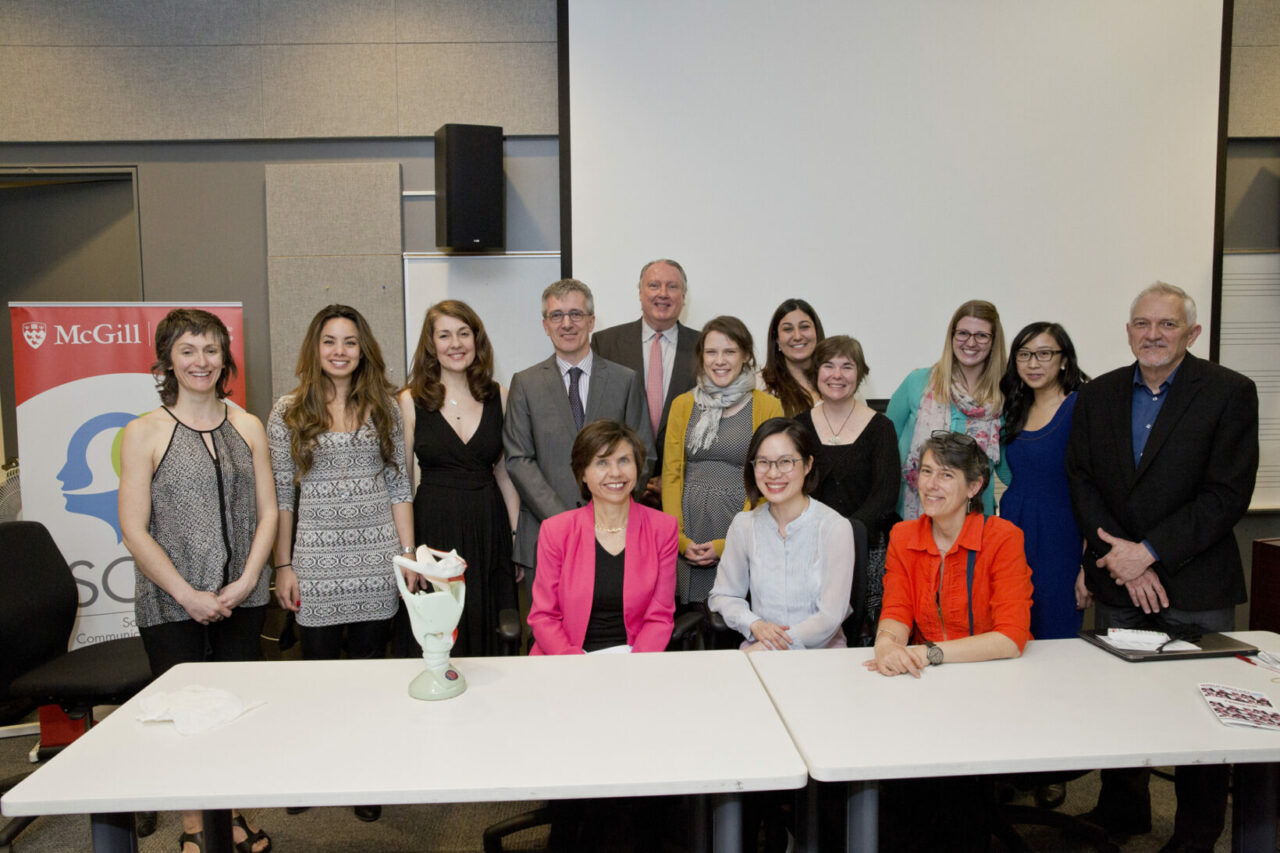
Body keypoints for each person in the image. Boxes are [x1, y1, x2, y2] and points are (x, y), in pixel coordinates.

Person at [1066, 282, 1258, 852]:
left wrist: (1147, 553)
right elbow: (1080, 478)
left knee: (1202, 709)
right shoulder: (1096, 395)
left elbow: (1228, 493)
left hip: (1196, 581)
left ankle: (1198, 832)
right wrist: (1121, 560)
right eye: (1142, 324)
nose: (1153, 335)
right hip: (1118, 578)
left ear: (1191, 333)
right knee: (1123, 702)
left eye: (1167, 325)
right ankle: (1122, 811)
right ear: (1128, 332)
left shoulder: (1229, 392)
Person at [118, 308, 275, 853]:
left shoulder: (248, 425)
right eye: (188, 350)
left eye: (210, 350)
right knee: (186, 716)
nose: (201, 361)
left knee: (232, 711)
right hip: (170, 603)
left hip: (243, 596)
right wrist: (186, 595)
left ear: (224, 357)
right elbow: (134, 530)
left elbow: (269, 512)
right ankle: (193, 828)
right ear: (167, 361)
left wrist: (249, 579)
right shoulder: (144, 432)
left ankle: (229, 817)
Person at [268, 305, 414, 824]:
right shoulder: (287, 410)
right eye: (329, 341)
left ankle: (365, 773)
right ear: (315, 348)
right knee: (319, 676)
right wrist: (283, 566)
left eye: (349, 341)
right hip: (316, 562)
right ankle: (313, 769)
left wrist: (408, 556)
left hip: (377, 558)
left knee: (371, 672)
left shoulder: (385, 408)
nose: (339, 351)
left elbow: (400, 486)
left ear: (362, 349)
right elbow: (283, 494)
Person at [867, 429, 1032, 852]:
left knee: (957, 803)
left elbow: (1011, 638)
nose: (930, 485)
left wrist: (929, 652)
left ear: (974, 486)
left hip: (990, 686)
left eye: (945, 475)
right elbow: (897, 609)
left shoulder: (1002, 537)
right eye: (925, 472)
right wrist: (887, 644)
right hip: (926, 688)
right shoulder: (905, 535)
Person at [504, 279, 655, 585]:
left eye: (576, 314)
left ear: (591, 321)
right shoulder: (525, 383)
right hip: (546, 535)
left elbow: (644, 456)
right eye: (556, 315)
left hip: (615, 535)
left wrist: (606, 513)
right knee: (549, 630)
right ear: (545, 325)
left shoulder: (625, 380)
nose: (567, 323)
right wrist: (566, 521)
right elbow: (519, 460)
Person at [396, 300, 520, 657]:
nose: (456, 344)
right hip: (432, 528)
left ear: (477, 340)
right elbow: (401, 482)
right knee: (437, 628)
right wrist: (408, 554)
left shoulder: (499, 395)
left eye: (464, 334)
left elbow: (505, 473)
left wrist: (512, 538)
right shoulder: (410, 400)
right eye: (445, 335)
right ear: (431, 345)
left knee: (489, 621)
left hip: (488, 524)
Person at [528, 419, 677, 655]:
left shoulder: (663, 529)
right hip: (567, 659)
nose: (615, 472)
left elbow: (660, 616)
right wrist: (579, 666)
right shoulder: (556, 531)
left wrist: (632, 668)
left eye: (624, 460)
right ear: (583, 473)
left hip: (635, 659)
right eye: (602, 462)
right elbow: (544, 617)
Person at [662, 316, 783, 605]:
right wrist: (678, 539)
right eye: (711, 352)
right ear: (701, 357)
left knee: (733, 618)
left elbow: (769, 480)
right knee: (687, 629)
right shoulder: (683, 404)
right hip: (687, 529)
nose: (720, 360)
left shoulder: (768, 406)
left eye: (729, 352)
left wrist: (729, 544)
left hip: (742, 527)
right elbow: (671, 474)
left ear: (745, 357)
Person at [708, 417, 854, 651]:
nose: (773, 474)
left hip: (821, 656)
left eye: (785, 462)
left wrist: (770, 648)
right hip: (759, 648)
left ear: (807, 465)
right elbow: (724, 595)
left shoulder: (835, 528)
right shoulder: (744, 525)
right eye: (763, 462)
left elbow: (829, 618)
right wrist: (753, 623)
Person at [795, 335, 899, 643]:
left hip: (866, 549)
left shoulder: (881, 427)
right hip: (808, 547)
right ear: (816, 372)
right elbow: (791, 487)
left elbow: (885, 494)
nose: (837, 375)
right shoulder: (798, 426)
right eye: (828, 365)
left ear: (860, 374)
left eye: (847, 366)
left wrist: (845, 533)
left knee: (859, 640)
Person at [997, 323, 1090, 641]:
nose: (1033, 364)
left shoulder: (1080, 407)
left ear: (1064, 360)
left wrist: (1087, 565)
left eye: (1044, 354)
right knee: (1012, 631)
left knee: (1055, 636)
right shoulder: (1014, 406)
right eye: (1024, 355)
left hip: (1060, 538)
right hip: (1013, 532)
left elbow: (1095, 490)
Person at [592, 258, 699, 504]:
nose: (663, 294)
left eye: (672, 286)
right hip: (618, 488)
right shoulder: (605, 344)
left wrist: (675, 479)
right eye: (654, 285)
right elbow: (598, 419)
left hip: (684, 496)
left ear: (684, 295)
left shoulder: (705, 348)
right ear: (639, 293)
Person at [887, 299, 1005, 520]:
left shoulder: (1002, 396)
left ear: (993, 342)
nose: (971, 342)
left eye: (981, 335)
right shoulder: (917, 382)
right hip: (915, 514)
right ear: (952, 337)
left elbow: (1009, 470)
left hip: (976, 517)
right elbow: (885, 446)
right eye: (963, 333)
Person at [757, 298, 825, 417]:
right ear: (777, 339)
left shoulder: (838, 379)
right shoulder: (760, 384)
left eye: (804, 327)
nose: (797, 336)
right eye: (788, 329)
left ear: (817, 333)